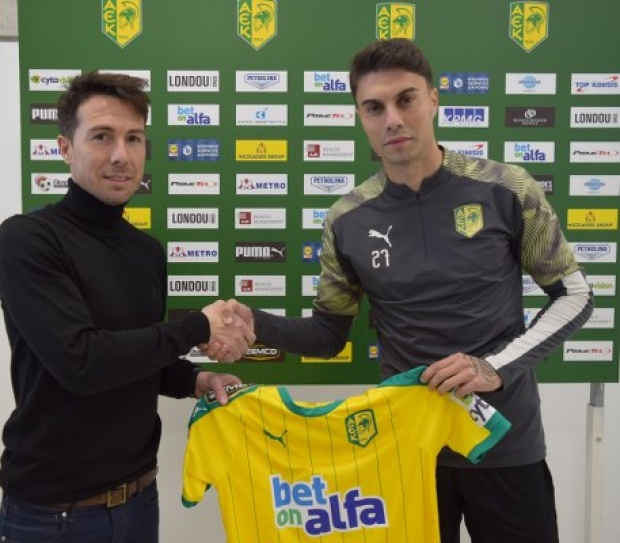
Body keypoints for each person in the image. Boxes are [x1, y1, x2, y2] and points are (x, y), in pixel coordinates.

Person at [213, 39, 594, 542]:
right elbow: (329, 333)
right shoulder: (347, 218)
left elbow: (575, 295)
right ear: (361, 117)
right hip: (404, 449)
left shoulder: (507, 188)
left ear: (433, 100)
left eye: (405, 99)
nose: (392, 119)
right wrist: (256, 323)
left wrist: (493, 367)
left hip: (505, 443)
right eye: (375, 107)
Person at [0, 71, 254, 543]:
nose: (121, 155)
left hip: (139, 499)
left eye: (133, 138)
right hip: (54, 516)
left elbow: (139, 359)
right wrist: (198, 326)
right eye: (102, 136)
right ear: (65, 148)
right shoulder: (26, 239)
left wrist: (196, 380)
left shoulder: (146, 251)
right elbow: (83, 363)